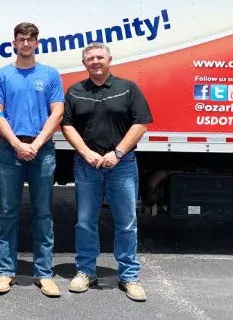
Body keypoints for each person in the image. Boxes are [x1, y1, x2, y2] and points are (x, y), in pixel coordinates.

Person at [61, 42, 152, 302]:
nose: (95, 61)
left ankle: (129, 276)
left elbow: (141, 123)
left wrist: (118, 153)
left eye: (100, 57)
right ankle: (86, 271)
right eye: (90, 58)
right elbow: (67, 126)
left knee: (126, 224)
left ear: (109, 59)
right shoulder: (76, 91)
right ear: (84, 63)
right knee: (85, 222)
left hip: (121, 165)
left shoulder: (128, 88)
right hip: (87, 166)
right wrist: (87, 153)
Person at [0, 22, 64, 296]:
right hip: (10, 149)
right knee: (9, 211)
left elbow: (57, 113)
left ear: (36, 43)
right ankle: (5, 272)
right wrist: (18, 144)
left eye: (31, 39)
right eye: (21, 39)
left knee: (43, 213)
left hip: (41, 151)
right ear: (14, 43)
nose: (26, 44)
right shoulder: (1, 75)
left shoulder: (50, 74)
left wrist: (36, 144)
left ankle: (44, 273)